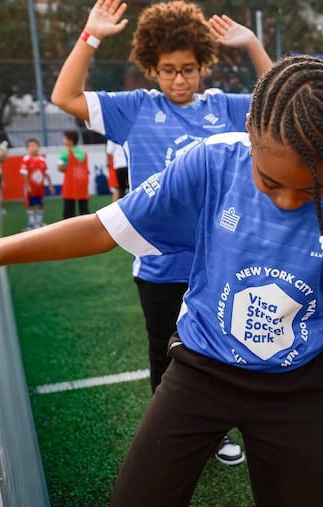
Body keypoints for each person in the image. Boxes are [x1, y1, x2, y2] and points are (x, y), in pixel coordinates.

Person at [0, 55, 323, 507]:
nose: (289, 201)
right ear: (251, 128)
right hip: (201, 370)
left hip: (296, 385)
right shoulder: (212, 163)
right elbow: (104, 228)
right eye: (270, 182)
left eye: (309, 190)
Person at [51, 0, 272, 464]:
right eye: (168, 70)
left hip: (220, 261)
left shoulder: (224, 109)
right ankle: (172, 441)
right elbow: (64, 97)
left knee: (222, 353)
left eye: (188, 69)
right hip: (158, 266)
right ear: (152, 68)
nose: (179, 80)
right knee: (168, 358)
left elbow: (280, 101)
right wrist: (90, 36)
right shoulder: (134, 110)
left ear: (202, 66)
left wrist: (252, 44)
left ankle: (218, 433)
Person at [20, 138, 55, 230]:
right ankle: (31, 225)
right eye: (30, 146)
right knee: (30, 205)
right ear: (27, 149)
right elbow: (24, 174)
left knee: (40, 204)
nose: (33, 148)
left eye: (35, 145)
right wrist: (27, 186)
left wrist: (50, 186)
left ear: (38, 147)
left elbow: (47, 173)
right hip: (30, 188)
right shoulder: (26, 160)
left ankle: (39, 223)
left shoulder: (42, 160)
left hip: (40, 188)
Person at [57, 130, 90, 219]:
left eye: (65, 138)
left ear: (70, 140)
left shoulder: (65, 152)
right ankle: (86, 225)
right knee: (84, 207)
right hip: (83, 182)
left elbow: (60, 167)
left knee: (69, 208)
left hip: (71, 183)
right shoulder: (83, 152)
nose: (63, 140)